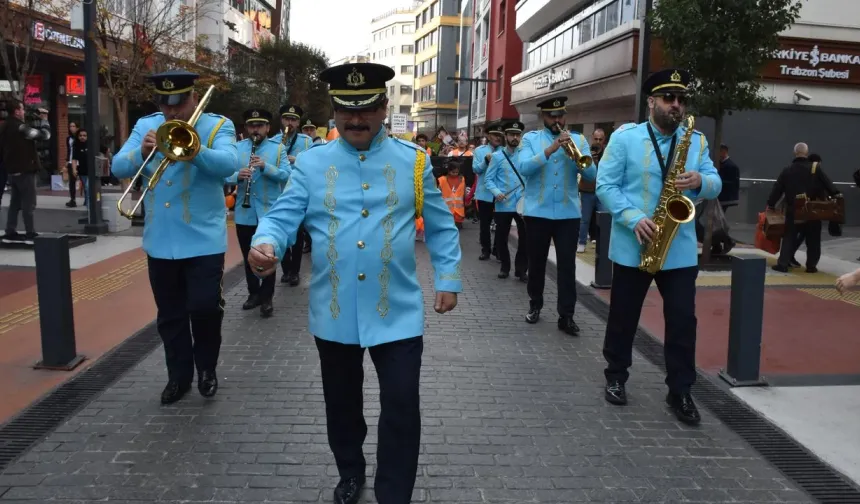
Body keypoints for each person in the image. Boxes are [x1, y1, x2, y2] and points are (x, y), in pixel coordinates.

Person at [247, 62, 462, 504]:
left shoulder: (414, 161)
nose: (357, 120)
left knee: (402, 406)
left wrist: (449, 277)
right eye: (347, 111)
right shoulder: (310, 164)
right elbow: (282, 215)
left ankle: (393, 493)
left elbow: (441, 225)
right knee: (343, 407)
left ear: (384, 108)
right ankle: (350, 471)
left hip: (397, 309)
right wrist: (265, 243)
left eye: (366, 110)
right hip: (335, 310)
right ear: (334, 111)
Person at [596, 68, 722, 425]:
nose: (676, 106)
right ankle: (616, 377)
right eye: (669, 99)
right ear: (651, 102)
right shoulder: (626, 139)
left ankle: (680, 390)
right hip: (636, 242)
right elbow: (606, 184)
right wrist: (633, 217)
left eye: (681, 100)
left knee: (683, 320)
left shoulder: (695, 141)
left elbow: (716, 181)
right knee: (623, 316)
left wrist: (701, 181)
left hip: (679, 248)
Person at [112, 70, 239, 405]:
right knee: (170, 316)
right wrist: (141, 152)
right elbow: (117, 166)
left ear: (192, 97)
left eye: (178, 104)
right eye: (165, 105)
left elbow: (229, 165)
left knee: (205, 308)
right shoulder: (146, 125)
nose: (171, 112)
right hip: (161, 241)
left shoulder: (216, 125)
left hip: (203, 240)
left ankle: (207, 369)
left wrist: (194, 149)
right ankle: (178, 378)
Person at [517, 96, 596, 334]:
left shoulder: (579, 140)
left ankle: (567, 316)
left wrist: (578, 159)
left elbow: (593, 175)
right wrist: (550, 150)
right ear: (543, 117)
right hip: (537, 213)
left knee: (567, 266)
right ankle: (535, 305)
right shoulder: (531, 139)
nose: (557, 120)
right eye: (552, 116)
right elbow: (524, 168)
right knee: (537, 263)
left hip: (568, 214)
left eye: (561, 115)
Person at [228, 108, 290, 317]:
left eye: (260, 125)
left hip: (268, 213)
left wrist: (265, 167)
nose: (256, 129)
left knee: (267, 255)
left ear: (267, 128)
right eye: (252, 125)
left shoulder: (278, 148)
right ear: (246, 128)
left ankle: (267, 298)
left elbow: (287, 176)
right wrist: (238, 175)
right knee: (248, 256)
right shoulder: (236, 149)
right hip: (244, 212)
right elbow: (223, 175)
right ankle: (253, 294)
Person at [767, 144, 840, 273]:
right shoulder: (815, 168)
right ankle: (811, 266)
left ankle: (783, 264)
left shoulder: (787, 169)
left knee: (789, 236)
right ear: (806, 153)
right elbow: (829, 186)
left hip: (793, 209)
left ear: (795, 153)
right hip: (813, 209)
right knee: (813, 238)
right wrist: (836, 195)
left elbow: (777, 189)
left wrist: (771, 204)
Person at [271, 104, 313, 286]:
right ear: (281, 120)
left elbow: (314, 166)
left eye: (294, 120)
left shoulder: (306, 142)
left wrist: (297, 160)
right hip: (278, 192)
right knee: (280, 233)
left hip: (299, 193)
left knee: (297, 234)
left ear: (299, 122)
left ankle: (294, 271)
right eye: (287, 119)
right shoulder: (273, 141)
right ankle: (286, 268)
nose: (290, 122)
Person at [485, 120, 528, 281]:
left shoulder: (525, 155)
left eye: (517, 135)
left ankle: (521, 269)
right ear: (506, 136)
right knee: (501, 237)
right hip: (504, 203)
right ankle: (505, 266)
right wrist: (497, 192)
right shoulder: (497, 157)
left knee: (525, 237)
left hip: (522, 203)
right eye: (512, 135)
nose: (515, 138)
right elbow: (489, 180)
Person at [2, 99, 51, 241]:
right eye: (22, 109)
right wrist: (44, 121)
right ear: (17, 111)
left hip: (12, 170)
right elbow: (44, 136)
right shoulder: (21, 127)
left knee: (15, 203)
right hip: (25, 169)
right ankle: (30, 232)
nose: (24, 112)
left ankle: (10, 230)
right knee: (29, 203)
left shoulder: (4, 126)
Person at [472, 122, 504, 261]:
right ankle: (486, 249)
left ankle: (497, 250)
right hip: (485, 193)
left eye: (500, 135)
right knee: (485, 224)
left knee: (501, 224)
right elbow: (476, 170)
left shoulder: (505, 151)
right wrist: (485, 160)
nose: (497, 137)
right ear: (488, 136)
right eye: (495, 135)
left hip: (501, 194)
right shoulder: (480, 151)